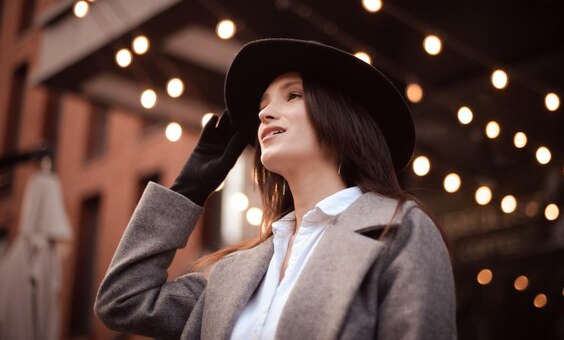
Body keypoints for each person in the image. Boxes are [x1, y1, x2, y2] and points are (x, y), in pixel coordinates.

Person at [94, 38, 457, 339]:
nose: (265, 114)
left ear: (340, 116)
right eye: (263, 105)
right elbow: (122, 300)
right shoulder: (234, 275)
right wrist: (188, 191)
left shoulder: (399, 230)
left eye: (293, 95)